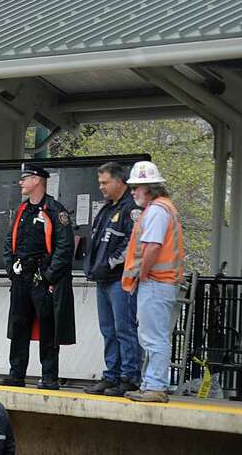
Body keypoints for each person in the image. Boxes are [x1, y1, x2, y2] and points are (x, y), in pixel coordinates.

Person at [0, 164, 75, 390]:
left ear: (38, 180)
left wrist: (49, 276)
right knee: (19, 325)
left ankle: (49, 377)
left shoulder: (55, 210)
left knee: (48, 329)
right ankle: (16, 374)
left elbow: (64, 247)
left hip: (42, 278)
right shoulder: (22, 210)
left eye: (24, 178)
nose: (21, 183)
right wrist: (11, 268)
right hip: (22, 278)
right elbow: (8, 242)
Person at [120, 160, 186, 404]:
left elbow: (152, 247)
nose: (133, 192)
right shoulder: (162, 208)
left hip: (156, 282)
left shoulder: (157, 210)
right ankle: (150, 384)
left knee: (154, 337)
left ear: (149, 188)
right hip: (161, 282)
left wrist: (142, 274)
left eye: (137, 187)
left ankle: (156, 386)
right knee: (150, 335)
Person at [82, 161, 142, 397]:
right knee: (108, 329)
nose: (101, 187)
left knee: (123, 328)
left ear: (119, 181)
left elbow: (132, 244)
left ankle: (129, 376)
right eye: (100, 182)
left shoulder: (131, 208)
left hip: (120, 279)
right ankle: (112, 375)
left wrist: (108, 264)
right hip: (103, 279)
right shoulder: (107, 208)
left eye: (105, 182)